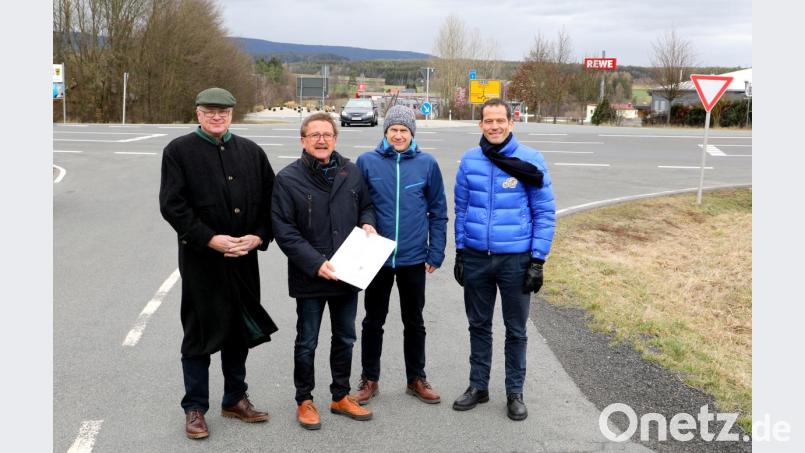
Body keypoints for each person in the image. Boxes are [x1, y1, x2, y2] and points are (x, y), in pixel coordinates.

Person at [159, 87, 278, 439]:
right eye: (210, 111)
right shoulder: (179, 152)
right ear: (198, 113)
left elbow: (271, 203)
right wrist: (209, 239)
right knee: (199, 333)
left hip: (244, 259)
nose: (216, 117)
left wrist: (258, 236)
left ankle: (235, 398)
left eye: (223, 112)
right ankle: (195, 407)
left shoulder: (251, 152)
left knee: (239, 330)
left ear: (231, 115)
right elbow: (172, 205)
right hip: (201, 262)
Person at [452, 98, 556, 421]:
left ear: (512, 123)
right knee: (478, 325)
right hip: (477, 258)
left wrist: (537, 260)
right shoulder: (470, 161)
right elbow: (462, 209)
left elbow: (544, 213)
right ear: (480, 124)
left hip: (516, 260)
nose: (494, 126)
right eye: (488, 121)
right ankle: (478, 386)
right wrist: (459, 251)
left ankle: (514, 392)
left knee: (516, 329)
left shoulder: (530, 160)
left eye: (500, 120)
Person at [271, 112, 377, 430]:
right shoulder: (288, 179)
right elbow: (284, 229)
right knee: (307, 341)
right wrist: (315, 263)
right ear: (303, 141)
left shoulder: (351, 172)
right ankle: (304, 400)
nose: (321, 140)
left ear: (335, 139)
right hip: (310, 276)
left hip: (347, 273)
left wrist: (369, 222)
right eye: (314, 134)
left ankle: (340, 395)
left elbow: (366, 206)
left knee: (345, 337)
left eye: (327, 134)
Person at [352, 105, 447, 405]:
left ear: (412, 133)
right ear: (385, 131)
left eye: (404, 130)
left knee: (414, 321)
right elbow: (356, 205)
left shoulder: (427, 164)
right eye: (393, 129)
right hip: (377, 257)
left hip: (413, 258)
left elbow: (439, 211)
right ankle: (369, 379)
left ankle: (416, 378)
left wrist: (437, 250)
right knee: (372, 321)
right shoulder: (366, 162)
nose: (398, 135)